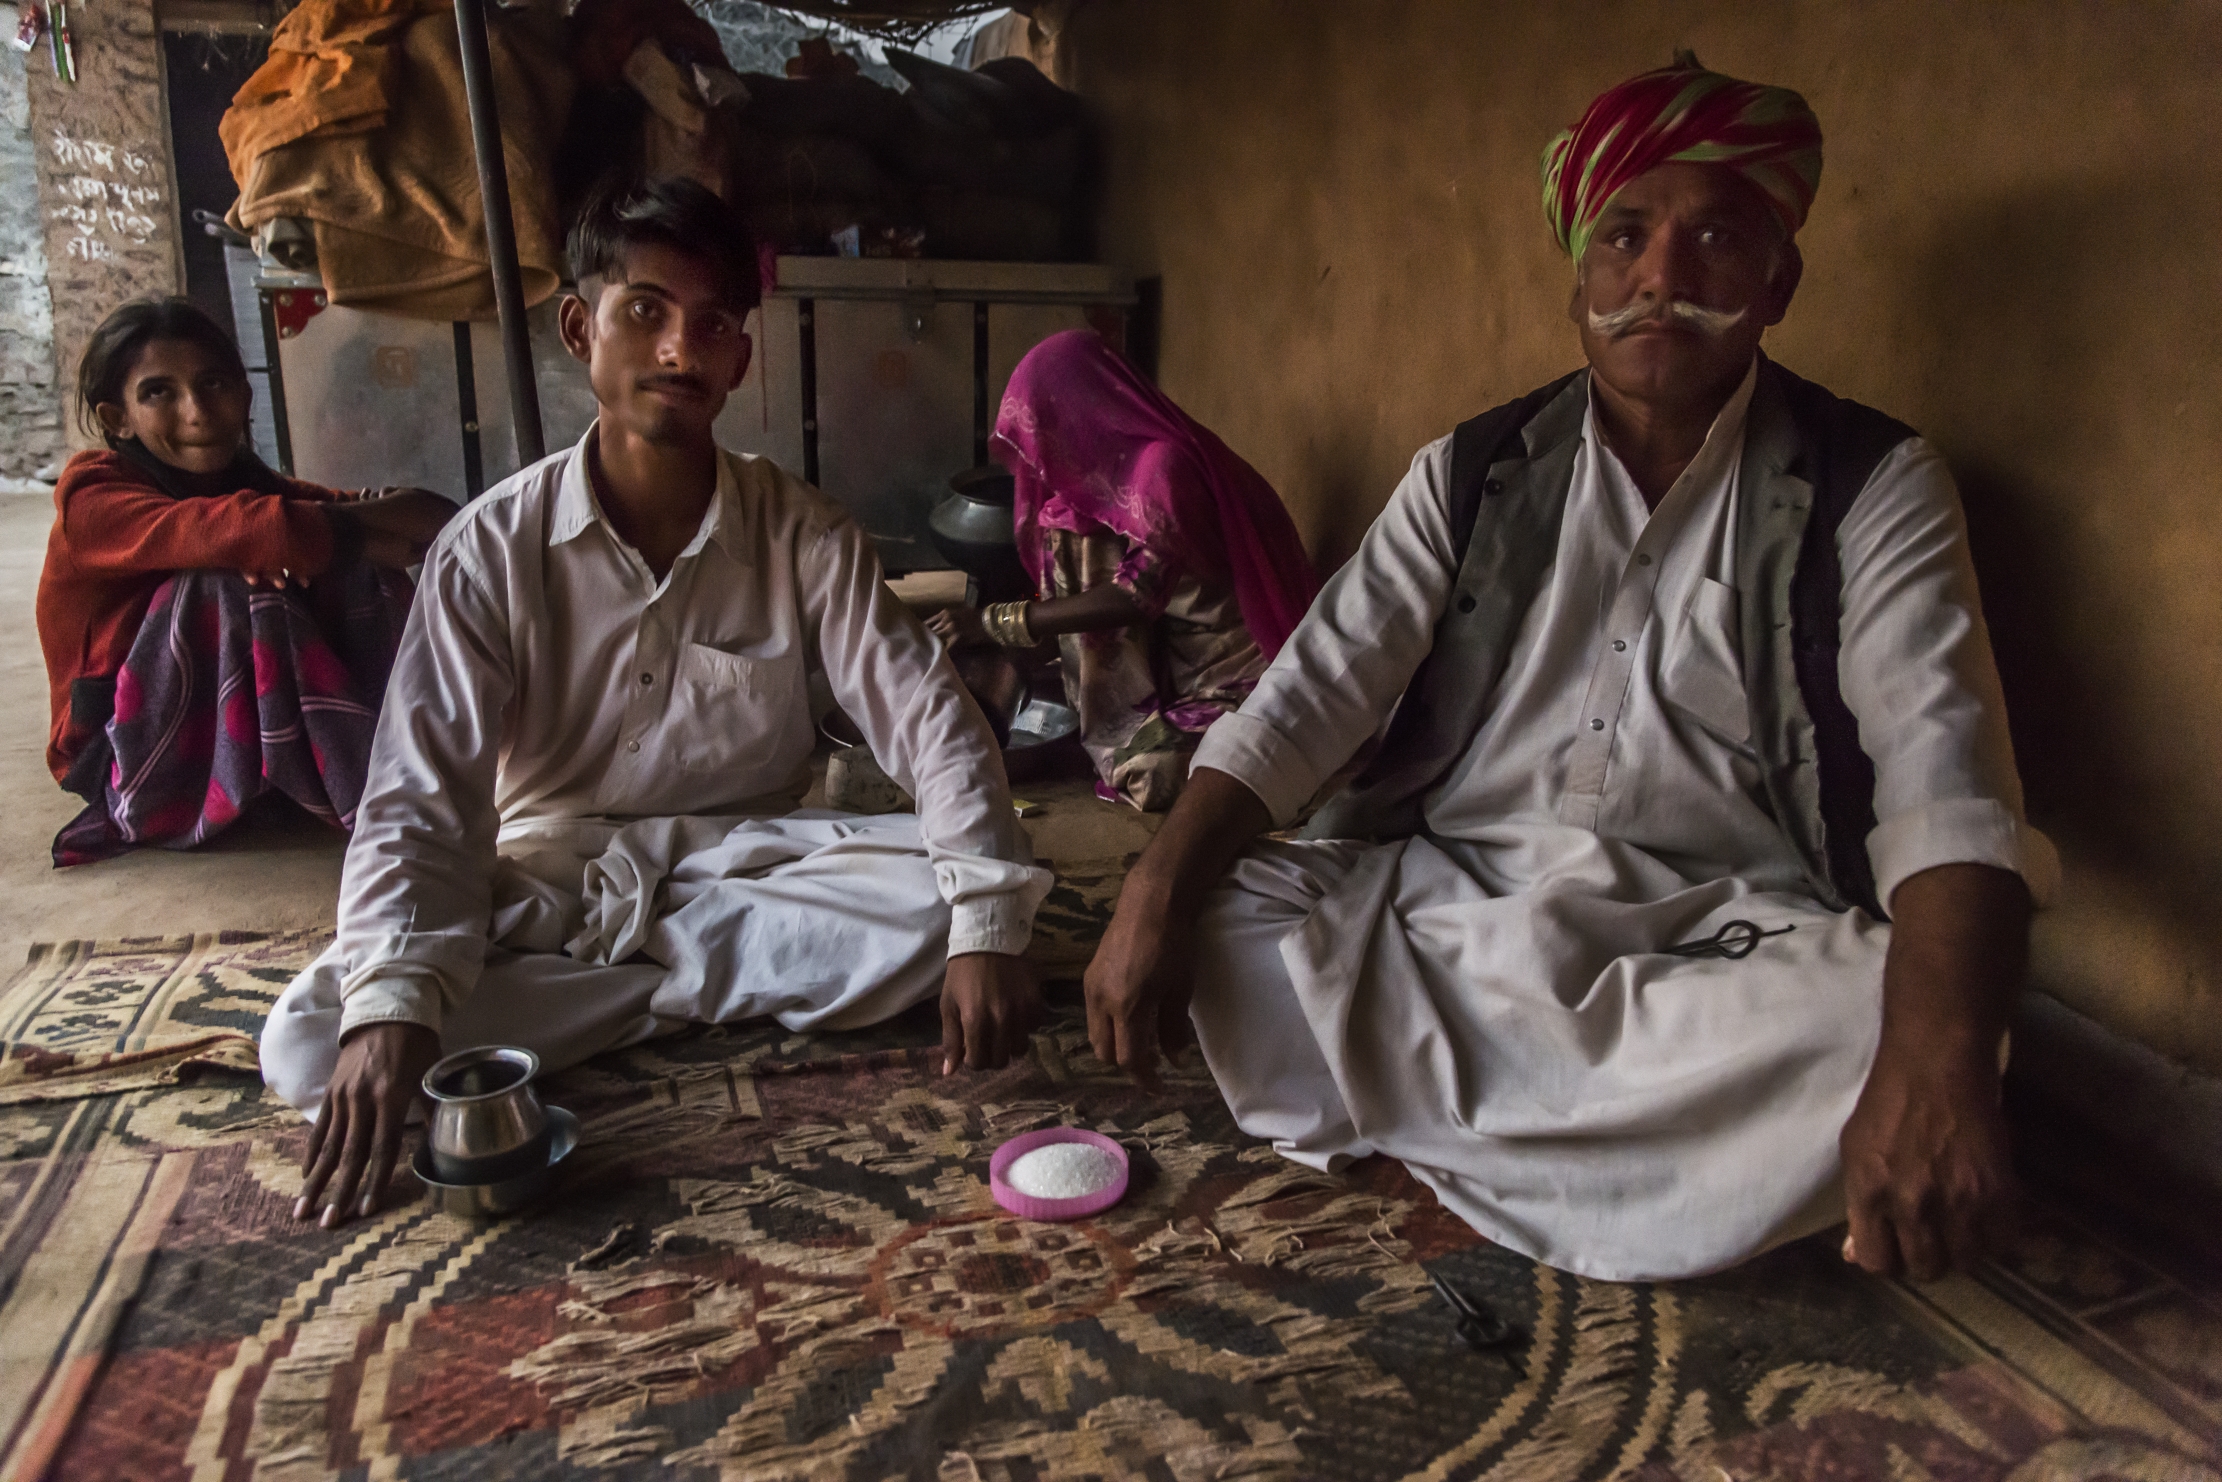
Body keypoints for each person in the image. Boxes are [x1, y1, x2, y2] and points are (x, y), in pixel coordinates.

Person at [1084, 57, 2057, 1284]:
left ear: (1777, 279)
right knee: (1225, 907)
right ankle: (1643, 1177)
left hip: (1714, 947)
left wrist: (1938, 1063)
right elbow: (1311, 694)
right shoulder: (1470, 469)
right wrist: (1154, 891)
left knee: (1916, 1018)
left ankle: (1432, 1126)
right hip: (1448, 909)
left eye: (1714, 237)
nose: (1661, 278)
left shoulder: (1874, 484)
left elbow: (1945, 781)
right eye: (1624, 237)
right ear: (1580, 277)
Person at [262, 178, 1053, 1227]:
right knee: (317, 1038)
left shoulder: (804, 533)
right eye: (645, 312)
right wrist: (396, 1000)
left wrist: (983, 924)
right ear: (581, 330)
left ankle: (623, 1001)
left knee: (952, 906)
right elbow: (423, 791)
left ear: (739, 356)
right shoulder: (489, 549)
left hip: (752, 863)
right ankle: (692, 992)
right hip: (552, 885)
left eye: (712, 323)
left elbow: (926, 719)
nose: (680, 350)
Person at [36, 298, 454, 866]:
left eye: (213, 383)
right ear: (118, 419)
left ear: (244, 394)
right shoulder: (93, 495)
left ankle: (397, 757)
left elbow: (436, 522)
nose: (197, 411)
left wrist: (339, 538)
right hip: (118, 754)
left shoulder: (250, 485)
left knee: (335, 563)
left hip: (218, 734)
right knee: (229, 582)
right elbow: (225, 532)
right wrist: (332, 536)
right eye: (159, 392)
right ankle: (372, 794)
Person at [927, 330, 1319, 811]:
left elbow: (1135, 597)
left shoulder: (1163, 470)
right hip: (1167, 667)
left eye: (1046, 429)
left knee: (1155, 772)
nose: (1040, 457)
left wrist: (994, 621)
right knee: (1062, 522)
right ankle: (1107, 726)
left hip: (1235, 683)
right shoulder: (1098, 485)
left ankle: (1133, 735)